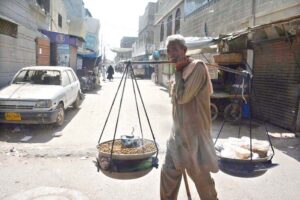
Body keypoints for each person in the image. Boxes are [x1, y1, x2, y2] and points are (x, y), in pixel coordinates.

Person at [160, 34, 219, 200]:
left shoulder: (197, 67)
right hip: (177, 136)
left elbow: (183, 98)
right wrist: (178, 72)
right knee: (168, 176)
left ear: (185, 50)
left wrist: (178, 72)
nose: (171, 53)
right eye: (169, 50)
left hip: (195, 138)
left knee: (202, 182)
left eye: (175, 49)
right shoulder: (180, 69)